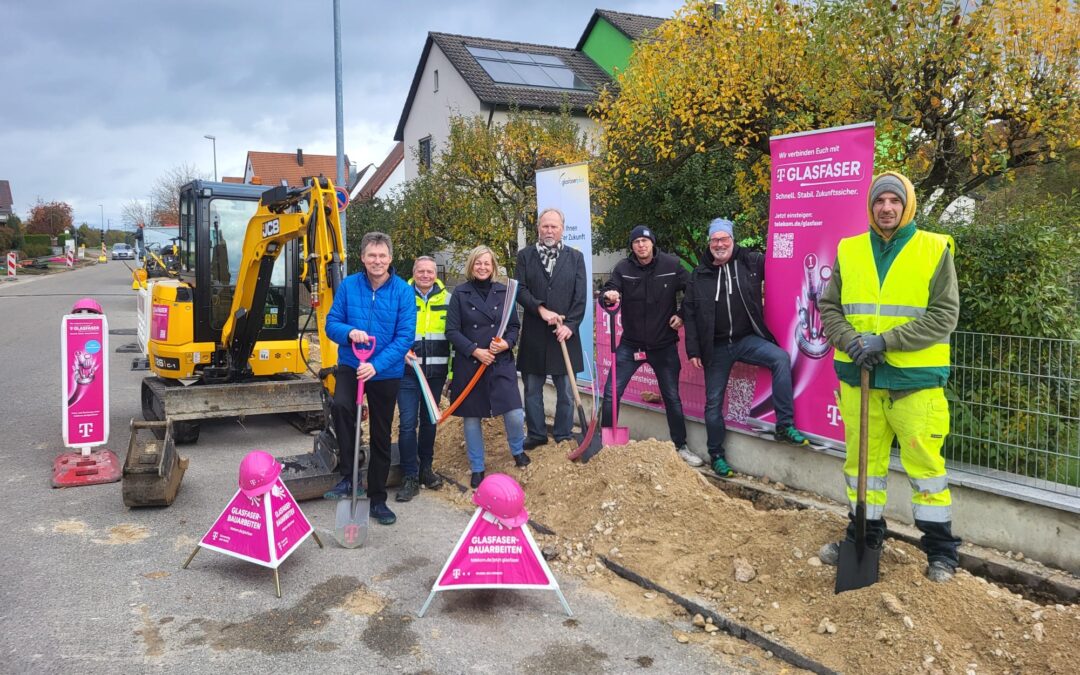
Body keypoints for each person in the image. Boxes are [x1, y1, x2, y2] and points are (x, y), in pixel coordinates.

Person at [817, 171, 962, 583]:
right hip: (858, 376)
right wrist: (852, 342)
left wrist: (886, 341)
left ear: (907, 205)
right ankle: (864, 536)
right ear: (870, 205)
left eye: (894, 201)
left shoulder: (934, 249)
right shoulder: (850, 250)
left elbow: (943, 316)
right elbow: (830, 308)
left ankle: (941, 551)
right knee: (863, 466)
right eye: (879, 201)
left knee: (925, 467)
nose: (886, 208)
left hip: (914, 381)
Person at [683, 218, 810, 478]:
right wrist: (693, 350)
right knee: (713, 402)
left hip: (745, 339)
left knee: (780, 359)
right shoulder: (700, 275)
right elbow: (690, 313)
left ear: (732, 240)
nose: (719, 244)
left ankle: (784, 425)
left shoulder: (750, 262)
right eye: (714, 240)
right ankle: (716, 455)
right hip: (715, 347)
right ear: (709, 243)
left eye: (724, 239)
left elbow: (784, 262)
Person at [324, 232, 416, 526]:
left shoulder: (402, 292)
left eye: (382, 256)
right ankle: (349, 478)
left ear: (390, 258)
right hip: (352, 364)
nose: (377, 261)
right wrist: (349, 333)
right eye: (371, 255)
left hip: (385, 371)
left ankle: (377, 499)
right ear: (362, 258)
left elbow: (405, 338)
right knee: (341, 407)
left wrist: (376, 365)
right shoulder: (349, 286)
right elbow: (331, 324)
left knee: (380, 432)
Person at [601, 225, 696, 465]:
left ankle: (681, 446)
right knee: (611, 391)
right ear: (632, 246)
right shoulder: (623, 268)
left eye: (645, 241)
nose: (641, 245)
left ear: (652, 243)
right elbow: (609, 290)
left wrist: (682, 313)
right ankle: (605, 444)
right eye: (636, 242)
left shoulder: (671, 265)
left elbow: (694, 289)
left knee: (671, 396)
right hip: (630, 345)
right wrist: (609, 296)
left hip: (663, 345)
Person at [446, 246, 528, 489]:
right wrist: (475, 350)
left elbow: (514, 326)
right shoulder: (460, 293)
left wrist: (506, 343)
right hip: (471, 364)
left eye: (487, 263)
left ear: (493, 267)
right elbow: (451, 330)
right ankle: (477, 467)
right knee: (472, 418)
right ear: (471, 266)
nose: (482, 267)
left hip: (499, 363)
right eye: (478, 263)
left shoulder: (504, 293)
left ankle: (517, 450)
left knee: (514, 412)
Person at [515, 208, 588, 448]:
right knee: (532, 391)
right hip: (535, 335)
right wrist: (541, 309)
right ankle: (536, 434)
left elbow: (580, 297)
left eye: (554, 226)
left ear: (562, 229)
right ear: (538, 228)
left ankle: (563, 434)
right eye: (545, 226)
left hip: (564, 336)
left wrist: (570, 325)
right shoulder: (525, 256)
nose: (549, 230)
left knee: (566, 392)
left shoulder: (575, 258)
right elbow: (520, 290)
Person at [395, 256, 449, 502]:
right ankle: (409, 475)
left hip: (436, 373)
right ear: (413, 272)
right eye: (421, 271)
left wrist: (451, 374)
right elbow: (390, 330)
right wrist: (401, 351)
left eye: (430, 271)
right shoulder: (401, 296)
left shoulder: (448, 300)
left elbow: (454, 336)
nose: (425, 275)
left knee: (429, 422)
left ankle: (426, 468)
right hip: (407, 372)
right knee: (407, 423)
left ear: (435, 274)